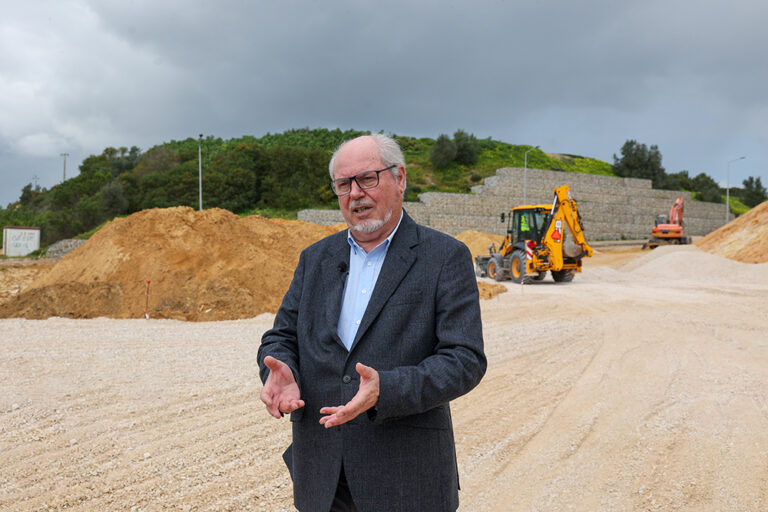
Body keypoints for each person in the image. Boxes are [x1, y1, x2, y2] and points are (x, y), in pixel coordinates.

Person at [257, 134, 486, 512]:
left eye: (367, 178)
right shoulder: (315, 259)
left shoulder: (445, 257)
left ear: (400, 179)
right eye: (344, 184)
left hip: (405, 476)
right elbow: (281, 337)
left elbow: (465, 360)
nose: (355, 194)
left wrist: (387, 388)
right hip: (323, 477)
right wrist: (282, 368)